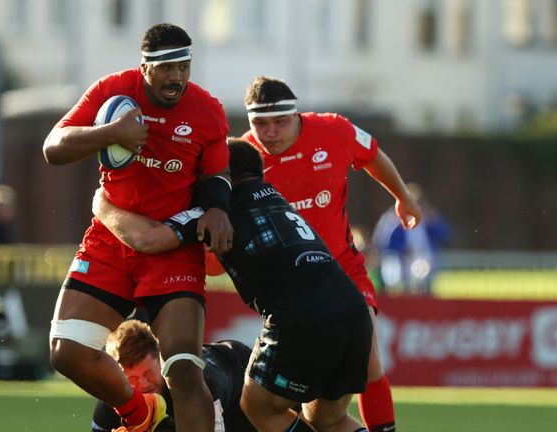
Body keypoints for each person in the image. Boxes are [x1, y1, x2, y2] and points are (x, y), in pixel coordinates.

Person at [93, 139, 372, 432]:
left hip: (301, 320)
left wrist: (101, 203)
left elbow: (145, 239)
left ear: (222, 176)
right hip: (353, 311)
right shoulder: (274, 199)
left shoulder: (218, 213)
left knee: (257, 404)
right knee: (327, 419)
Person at [42, 23, 233, 432]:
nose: (177, 76)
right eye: (166, 67)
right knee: (66, 352)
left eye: (184, 66)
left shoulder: (207, 110)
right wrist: (112, 132)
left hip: (171, 253)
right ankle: (140, 414)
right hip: (111, 240)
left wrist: (217, 208)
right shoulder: (112, 92)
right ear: (144, 67)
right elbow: (53, 148)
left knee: (182, 369)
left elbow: (217, 178)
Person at [240, 76, 422, 432]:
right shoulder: (245, 161)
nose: (271, 132)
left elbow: (373, 156)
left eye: (280, 121)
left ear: (297, 116)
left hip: (345, 271)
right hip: (292, 294)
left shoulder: (333, 131)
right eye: (260, 123)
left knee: (370, 366)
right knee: (318, 417)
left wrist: (402, 195)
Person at [91, 319, 256, 432]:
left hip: (243, 385)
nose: (143, 385)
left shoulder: (196, 385)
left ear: (162, 361)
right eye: (132, 379)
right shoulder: (114, 396)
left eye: (149, 373)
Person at [371, 183, 450, 294]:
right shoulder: (391, 218)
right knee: (393, 274)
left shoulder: (427, 217)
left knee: (423, 278)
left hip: (421, 259)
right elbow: (381, 241)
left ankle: (424, 298)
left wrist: (433, 219)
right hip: (397, 258)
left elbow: (445, 235)